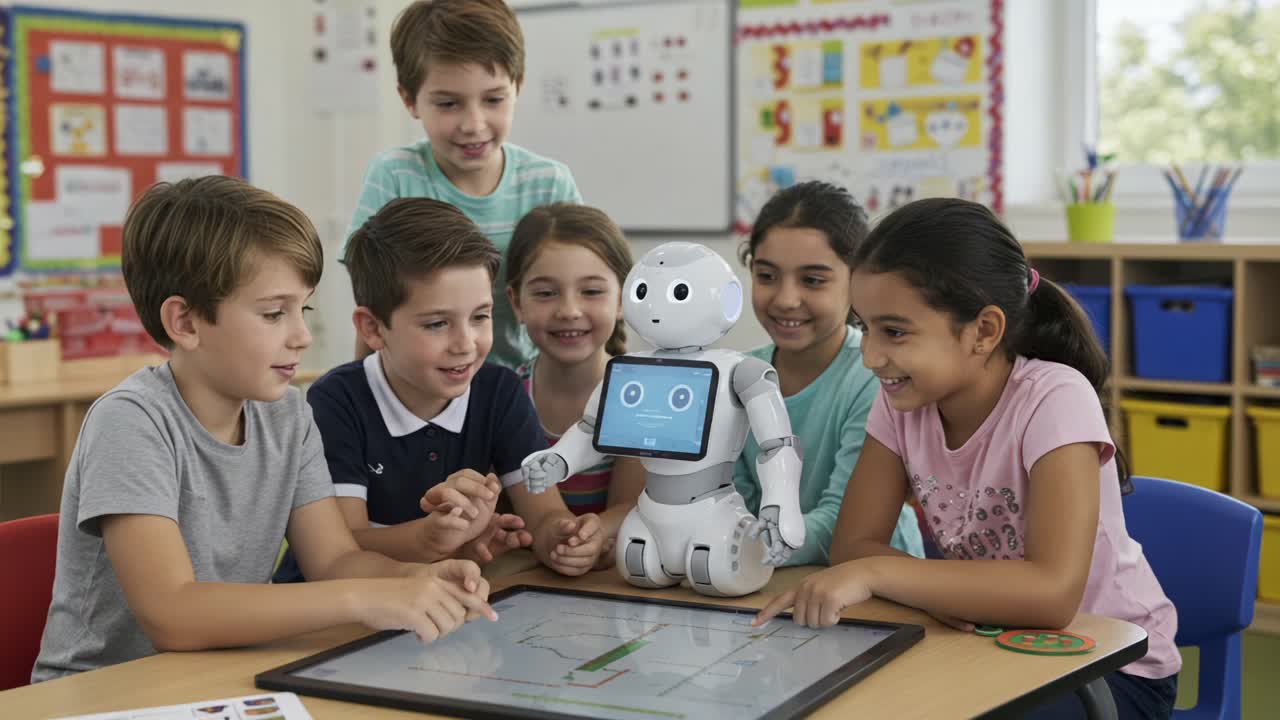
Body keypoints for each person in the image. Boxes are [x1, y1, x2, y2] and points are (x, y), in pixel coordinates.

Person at [33, 177, 494, 683]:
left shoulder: (288, 417)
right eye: (274, 313)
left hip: (220, 677)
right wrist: (367, 597)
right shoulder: (131, 422)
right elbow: (172, 614)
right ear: (184, 323)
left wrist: (418, 579)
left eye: (304, 309)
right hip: (99, 693)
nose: (301, 335)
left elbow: (335, 560)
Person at [755, 198, 1180, 719]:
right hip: (989, 640)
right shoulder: (900, 402)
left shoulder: (1054, 399)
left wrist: (880, 575)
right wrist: (931, 590)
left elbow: (1050, 594)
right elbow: (853, 544)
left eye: (895, 332)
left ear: (983, 331)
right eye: (865, 327)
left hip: (1108, 667)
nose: (870, 357)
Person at [273, 197, 605, 585]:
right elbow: (343, 546)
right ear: (373, 329)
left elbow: (545, 511)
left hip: (432, 606)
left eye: (480, 317)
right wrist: (428, 539)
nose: (465, 343)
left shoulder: (500, 393)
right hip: (328, 614)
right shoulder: (336, 401)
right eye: (436, 324)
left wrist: (564, 539)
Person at [345, 0, 581, 369]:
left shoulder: (549, 184)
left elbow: (575, 298)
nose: (474, 124)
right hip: (418, 389)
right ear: (410, 99)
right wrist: (357, 388)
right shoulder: (394, 176)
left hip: (523, 388)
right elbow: (374, 304)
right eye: (449, 103)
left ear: (518, 87)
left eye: (493, 99)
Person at [734, 181, 923, 565]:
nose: (786, 299)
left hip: (878, 590)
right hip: (768, 580)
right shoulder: (735, 376)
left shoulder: (876, 378)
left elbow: (843, 520)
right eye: (767, 276)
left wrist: (741, 550)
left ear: (857, 280)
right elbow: (732, 501)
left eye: (813, 280)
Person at [505, 204, 646, 568]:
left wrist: (592, 533)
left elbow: (631, 506)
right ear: (516, 302)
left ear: (622, 298)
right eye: (546, 293)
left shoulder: (640, 395)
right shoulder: (504, 398)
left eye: (591, 291)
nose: (569, 310)